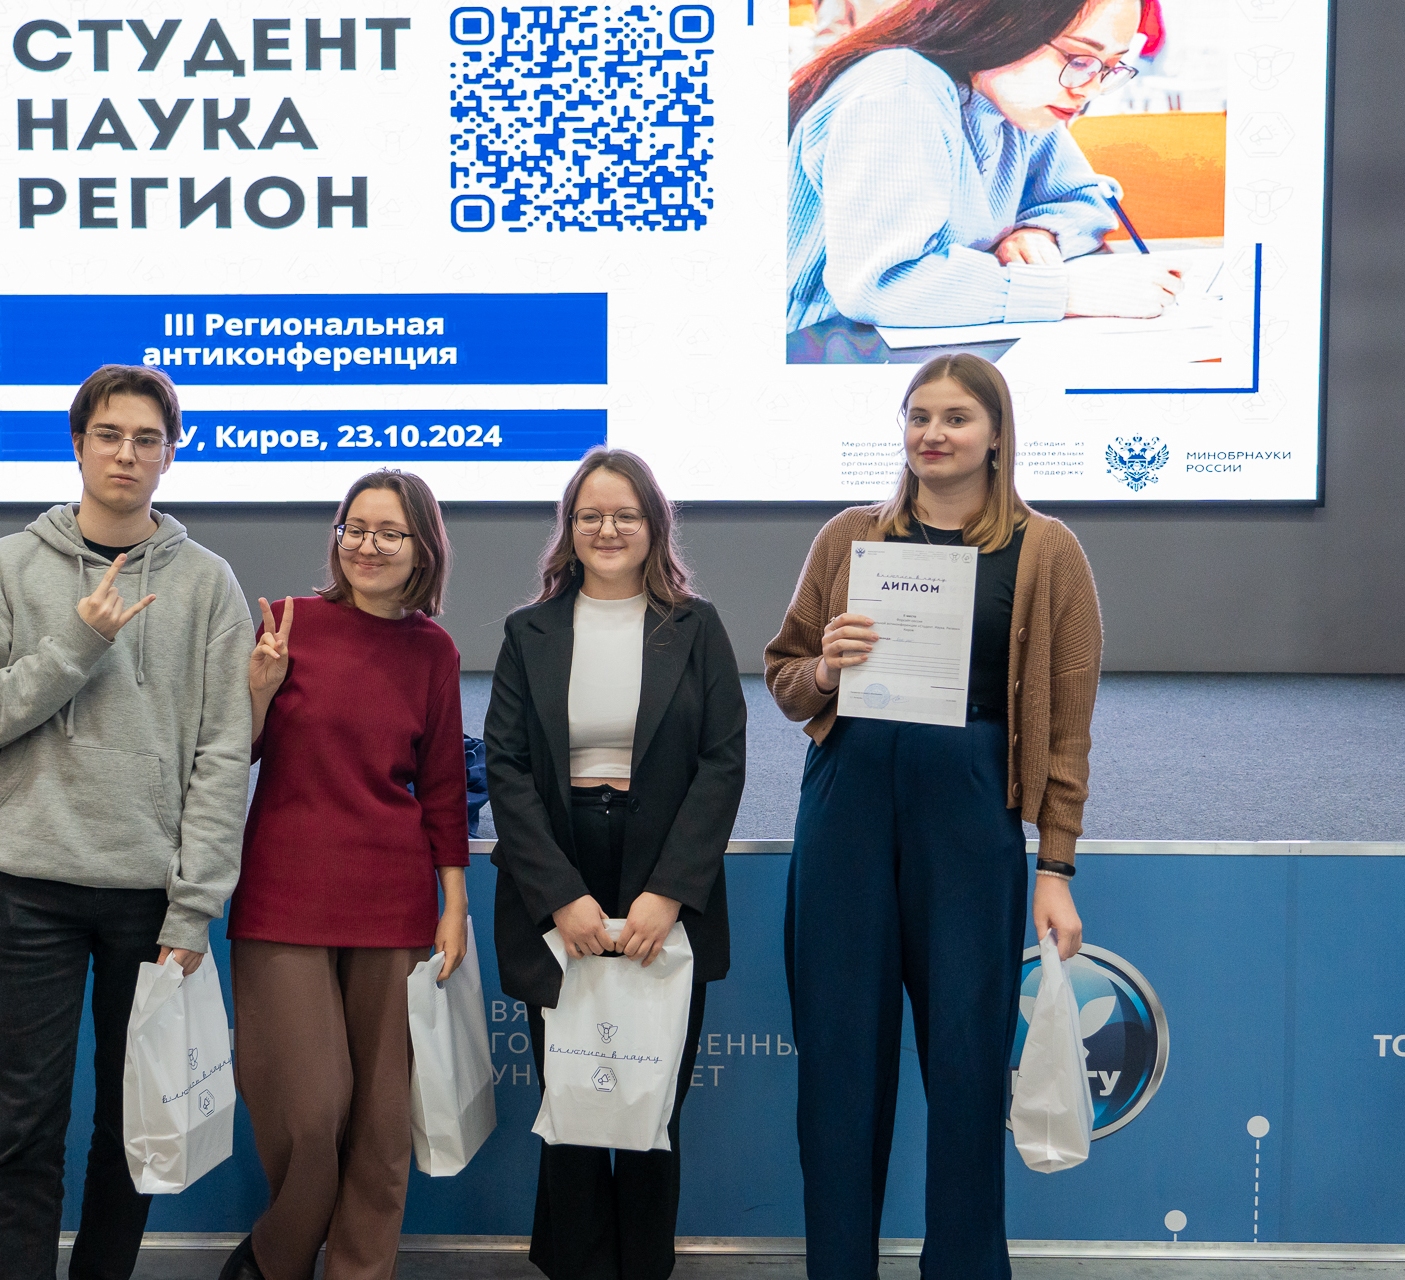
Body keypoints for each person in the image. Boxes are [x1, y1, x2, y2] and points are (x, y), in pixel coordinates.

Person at [764, 353, 1101, 1280]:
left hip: (970, 815)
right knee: (839, 1064)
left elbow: (1067, 733)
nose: (934, 434)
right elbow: (786, 679)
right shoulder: (849, 537)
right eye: (919, 416)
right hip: (847, 811)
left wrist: (1056, 866)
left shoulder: (1048, 551)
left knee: (965, 1065)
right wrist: (825, 668)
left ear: (996, 435)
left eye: (956, 418)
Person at [0, 364, 252, 1280]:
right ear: (78, 444)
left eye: (147, 439)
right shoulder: (8, 566)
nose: (126, 453)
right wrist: (78, 642)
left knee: (132, 1126)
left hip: (150, 901)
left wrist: (194, 907)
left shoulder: (208, 584)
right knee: (25, 1126)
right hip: (28, 887)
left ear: (170, 454)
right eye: (109, 435)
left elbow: (222, 755)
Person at [484, 448, 747, 1280]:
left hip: (663, 875)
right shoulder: (528, 632)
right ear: (568, 528)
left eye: (625, 515)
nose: (607, 529)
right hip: (560, 872)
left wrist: (670, 893)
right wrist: (559, 896)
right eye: (590, 515)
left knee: (649, 1103)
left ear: (653, 527)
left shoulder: (696, 627)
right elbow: (507, 769)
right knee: (571, 1103)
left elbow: (722, 763)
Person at [221, 469, 469, 1280]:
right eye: (355, 529)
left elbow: (443, 789)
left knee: (382, 1127)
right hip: (283, 896)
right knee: (311, 1111)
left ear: (422, 548)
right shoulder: (288, 623)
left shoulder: (433, 651)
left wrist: (454, 903)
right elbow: (229, 755)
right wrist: (257, 693)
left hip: (393, 903)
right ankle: (274, 1260)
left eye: (389, 533)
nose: (368, 546)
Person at [786, 0, 1185, 333]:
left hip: (934, 340)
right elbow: (881, 285)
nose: (1091, 89)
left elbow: (1086, 199)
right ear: (1003, 22)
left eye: (1109, 66)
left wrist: (1040, 232)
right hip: (824, 346)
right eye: (1079, 59)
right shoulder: (899, 94)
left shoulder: (1016, 101)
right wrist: (1065, 291)